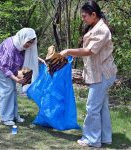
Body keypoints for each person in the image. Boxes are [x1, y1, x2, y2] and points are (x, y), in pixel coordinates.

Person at [60, 0, 117, 148]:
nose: (83, 18)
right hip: (99, 74)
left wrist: (67, 51)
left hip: (102, 75)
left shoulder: (102, 30)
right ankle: (105, 138)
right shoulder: (95, 27)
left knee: (92, 107)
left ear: (94, 14)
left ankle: (91, 139)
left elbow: (89, 51)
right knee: (101, 107)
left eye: (85, 16)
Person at [0, 28, 45, 126]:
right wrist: (16, 79)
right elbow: (4, 67)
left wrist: (39, 59)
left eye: (31, 42)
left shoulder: (21, 43)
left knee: (13, 90)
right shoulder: (10, 48)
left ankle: (14, 115)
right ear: (23, 38)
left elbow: (29, 54)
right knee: (7, 90)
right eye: (28, 42)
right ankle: (5, 117)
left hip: (12, 67)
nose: (29, 45)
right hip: (0, 66)